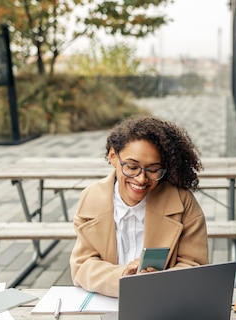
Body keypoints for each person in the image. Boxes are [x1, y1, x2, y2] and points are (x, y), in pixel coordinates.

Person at [70, 116, 209, 297]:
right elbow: (82, 265)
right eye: (132, 166)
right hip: (105, 300)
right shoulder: (91, 198)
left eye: (153, 170)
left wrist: (158, 280)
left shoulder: (182, 201)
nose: (141, 179)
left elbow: (195, 265)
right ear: (113, 157)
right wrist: (122, 276)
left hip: (164, 300)